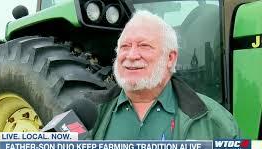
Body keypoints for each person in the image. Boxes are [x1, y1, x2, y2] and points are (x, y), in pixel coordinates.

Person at [90, 10, 240, 140]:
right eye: (125, 46)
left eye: (144, 46)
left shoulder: (215, 121)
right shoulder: (83, 114)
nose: (131, 55)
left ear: (170, 58)